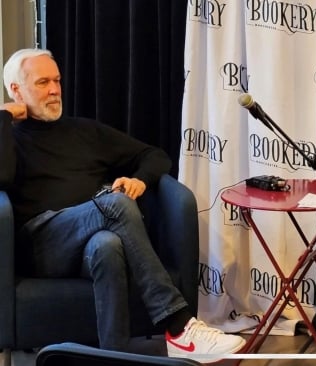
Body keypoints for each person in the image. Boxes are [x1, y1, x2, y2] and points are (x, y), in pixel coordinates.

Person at [0, 48, 246, 363]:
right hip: (42, 246)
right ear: (16, 90)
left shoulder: (85, 131)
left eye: (58, 81)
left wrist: (140, 180)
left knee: (108, 245)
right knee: (116, 205)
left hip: (88, 242)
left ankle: (111, 357)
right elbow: (2, 177)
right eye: (42, 82)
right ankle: (179, 325)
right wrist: (5, 117)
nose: (54, 90)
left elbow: (154, 155)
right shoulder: (11, 137)